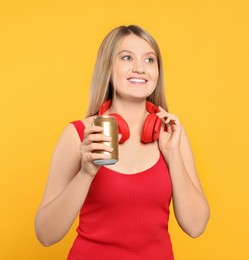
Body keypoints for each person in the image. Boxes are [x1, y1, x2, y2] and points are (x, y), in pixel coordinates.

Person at [34, 25, 210, 260]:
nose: (140, 68)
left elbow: (196, 226)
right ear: (108, 67)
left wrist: (173, 154)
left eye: (149, 60)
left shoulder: (170, 134)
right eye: (127, 57)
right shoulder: (79, 134)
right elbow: (46, 234)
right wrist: (86, 173)